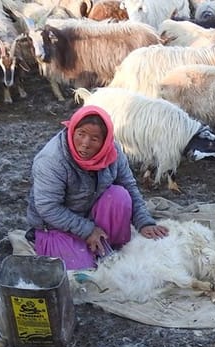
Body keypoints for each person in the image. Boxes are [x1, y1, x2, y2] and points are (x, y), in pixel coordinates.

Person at [26, 105, 168, 270]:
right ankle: (91, 246)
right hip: (54, 226)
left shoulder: (113, 152)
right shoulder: (51, 160)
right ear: (72, 131)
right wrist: (88, 230)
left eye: (94, 139)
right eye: (81, 134)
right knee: (87, 270)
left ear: (105, 141)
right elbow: (48, 207)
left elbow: (129, 186)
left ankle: (112, 244)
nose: (85, 144)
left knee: (119, 195)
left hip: (89, 213)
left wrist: (144, 222)